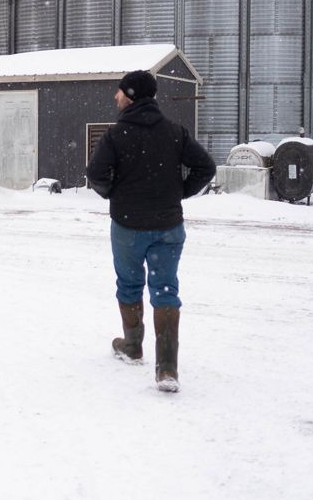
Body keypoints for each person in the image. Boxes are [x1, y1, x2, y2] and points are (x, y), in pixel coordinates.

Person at [85, 70, 215, 393]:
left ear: (129, 95)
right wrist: (180, 192)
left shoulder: (116, 135)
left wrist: (114, 192)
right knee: (166, 289)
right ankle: (167, 369)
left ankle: (132, 346)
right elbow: (206, 167)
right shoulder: (174, 132)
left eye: (118, 92)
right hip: (168, 227)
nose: (115, 98)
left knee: (129, 285)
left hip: (128, 226)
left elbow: (95, 174)